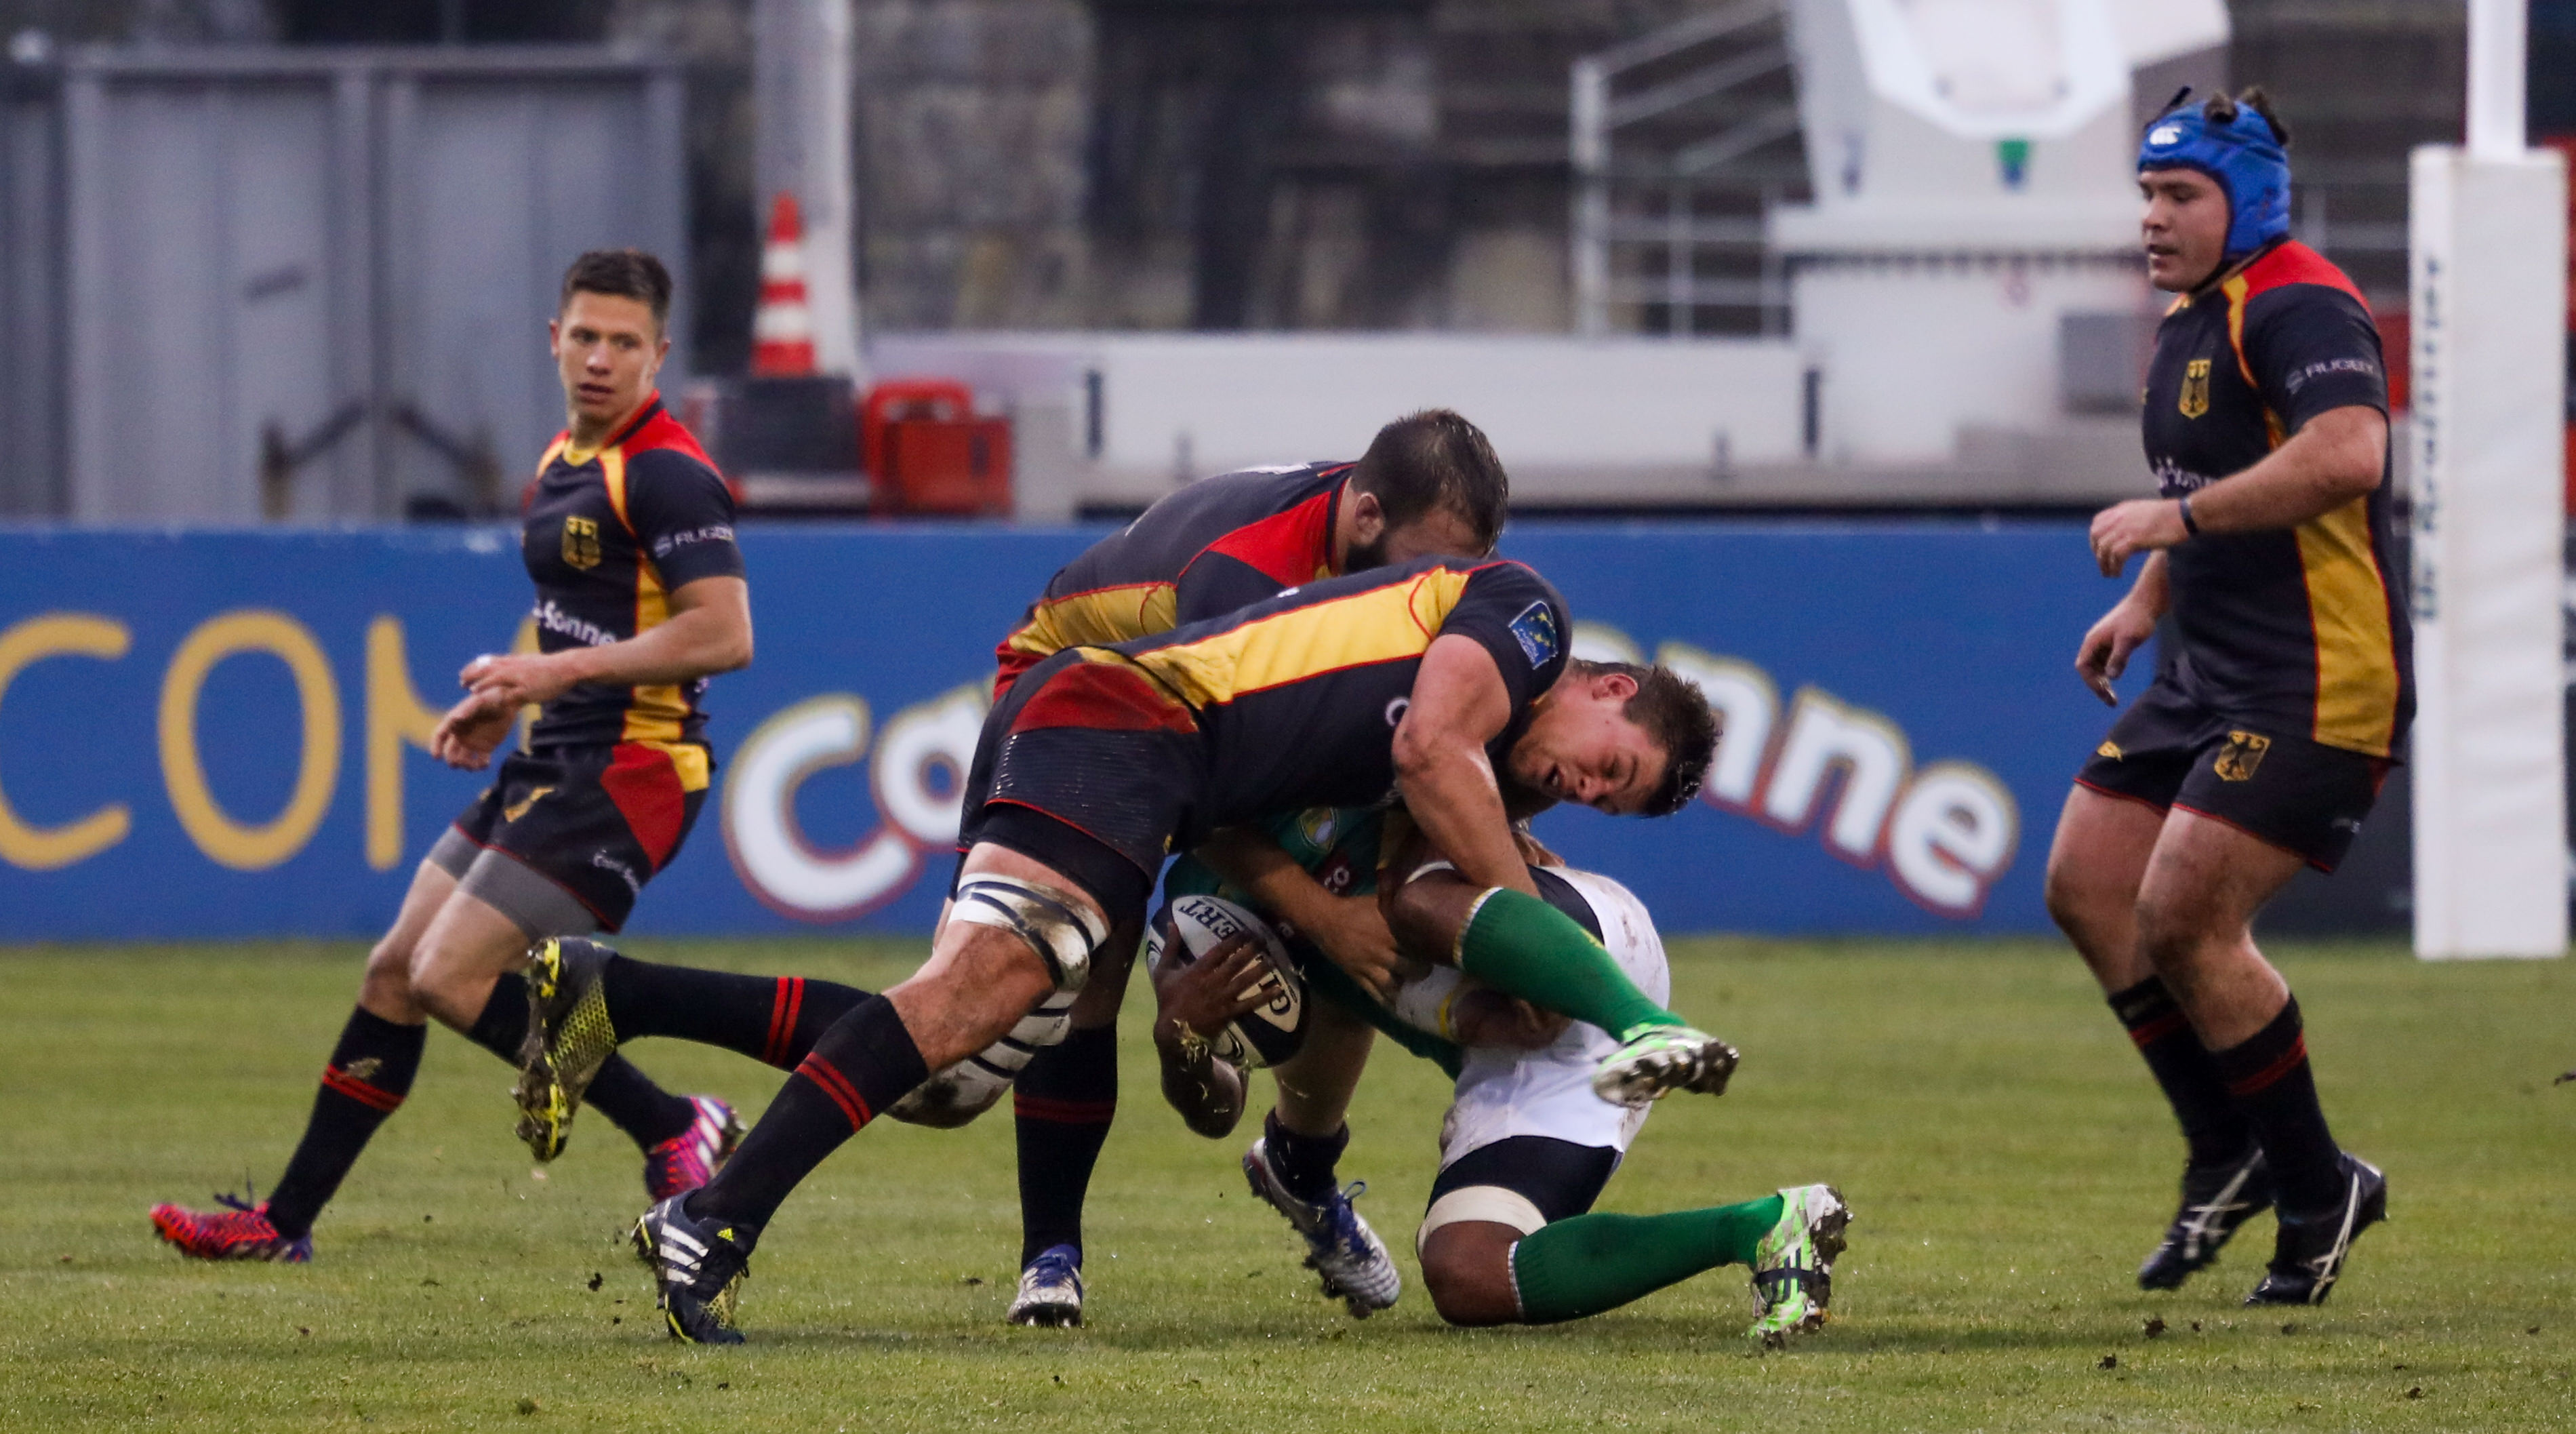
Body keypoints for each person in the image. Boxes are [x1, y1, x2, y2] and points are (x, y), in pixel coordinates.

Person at [540, 554, 1720, 1342]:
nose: (1582, 789)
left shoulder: (1434, 783)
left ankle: (620, 1001)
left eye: (1602, 804)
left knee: (962, 1063)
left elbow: (1357, 858)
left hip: (1144, 754)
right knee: (983, 987)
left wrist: (1214, 1017)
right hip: (1128, 721)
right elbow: (1427, 752)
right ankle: (715, 1219)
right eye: (1607, 766)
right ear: (1607, 685)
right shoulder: (1522, 618)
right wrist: (1510, 926)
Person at [150, 250, 753, 1262]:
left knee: (448, 975)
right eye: (585, 336)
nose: (600, 358)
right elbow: (592, 621)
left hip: (634, 772)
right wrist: (511, 695)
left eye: (624, 342)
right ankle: (282, 1225)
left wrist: (553, 675)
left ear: (658, 354)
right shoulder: (560, 461)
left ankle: (670, 1122)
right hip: (557, 754)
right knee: (396, 971)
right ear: (553, 340)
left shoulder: (666, 472)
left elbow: (725, 634)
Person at [941, 412, 1511, 1324]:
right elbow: (1195, 781)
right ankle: (1050, 1257)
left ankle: (1300, 1166)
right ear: (1365, 515)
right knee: (1059, 982)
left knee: (1360, 895)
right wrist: (1320, 917)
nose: (1440, 589)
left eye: (1462, 568)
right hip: (1071, 698)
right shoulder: (1247, 578)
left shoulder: (1387, 547)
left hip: (1181, 709)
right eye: (1428, 563)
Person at [2045, 89, 2402, 1307]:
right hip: (2208, 668)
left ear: (2247, 200)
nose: (2153, 217)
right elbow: (2209, 478)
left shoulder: (2301, 302)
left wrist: (2175, 523)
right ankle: (2226, 1147)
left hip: (2318, 674)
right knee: (2088, 883)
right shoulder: (2192, 317)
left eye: (2180, 195)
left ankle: (2316, 1187)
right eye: (2147, 194)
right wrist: (2149, 599)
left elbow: (2348, 453)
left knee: (2186, 915)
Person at [1148, 815, 1850, 1345]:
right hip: (1520, 1058)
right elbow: (1214, 1111)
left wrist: (1489, 817)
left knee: (1417, 900)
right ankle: (1763, 1226)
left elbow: (1455, 733)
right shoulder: (1190, 906)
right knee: (1467, 1274)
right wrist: (1180, 1037)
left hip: (1567, 936)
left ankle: (1646, 1026)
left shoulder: (1317, 748)